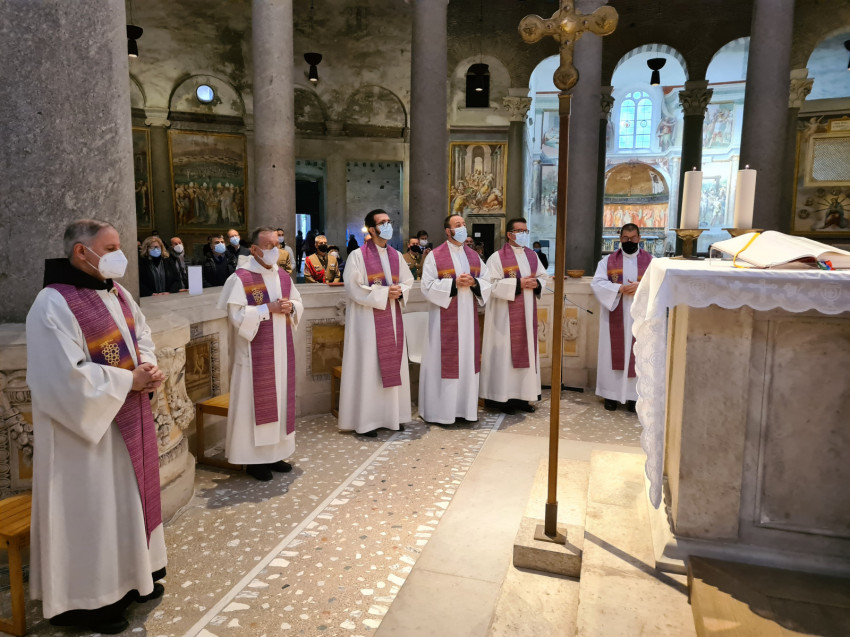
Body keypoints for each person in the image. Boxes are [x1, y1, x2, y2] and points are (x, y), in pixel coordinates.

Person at [26, 219, 167, 634]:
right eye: (110, 248)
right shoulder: (52, 303)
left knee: (125, 503)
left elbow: (142, 335)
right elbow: (61, 378)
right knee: (93, 511)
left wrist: (147, 367)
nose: (119, 255)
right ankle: (90, 601)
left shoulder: (117, 292)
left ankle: (135, 578)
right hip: (84, 438)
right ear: (81, 252)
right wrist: (127, 381)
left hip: (127, 419)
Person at [218, 227, 303, 480]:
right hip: (253, 357)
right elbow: (236, 316)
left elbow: (298, 303)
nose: (274, 250)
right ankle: (253, 460)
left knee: (280, 400)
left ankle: (275, 454)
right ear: (254, 249)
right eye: (268, 245)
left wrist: (290, 307)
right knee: (253, 404)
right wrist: (268, 308)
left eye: (276, 244)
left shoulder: (283, 276)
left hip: (281, 353)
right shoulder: (240, 278)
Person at [338, 209, 413, 437]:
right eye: (383, 222)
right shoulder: (357, 256)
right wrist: (384, 293)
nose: (388, 225)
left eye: (389, 221)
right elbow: (353, 287)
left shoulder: (396, 255)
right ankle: (367, 421)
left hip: (392, 319)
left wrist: (400, 291)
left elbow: (408, 281)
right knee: (369, 368)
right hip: (367, 323)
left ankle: (392, 417)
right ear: (372, 229)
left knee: (392, 366)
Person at [419, 214, 490, 424]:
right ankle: (441, 412)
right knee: (444, 362)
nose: (462, 228)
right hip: (443, 322)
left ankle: (465, 411)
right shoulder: (435, 256)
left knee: (467, 361)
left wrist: (474, 282)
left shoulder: (474, 256)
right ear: (448, 231)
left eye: (464, 224)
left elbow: (487, 281)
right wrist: (454, 284)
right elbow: (427, 286)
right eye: (457, 225)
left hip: (468, 321)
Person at [480, 218, 549, 414]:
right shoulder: (496, 258)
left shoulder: (532, 256)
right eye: (520, 231)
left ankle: (523, 398)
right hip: (503, 318)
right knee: (505, 357)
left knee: (526, 354)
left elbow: (544, 277)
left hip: (527, 315)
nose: (524, 234)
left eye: (526, 231)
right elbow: (490, 285)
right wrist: (518, 284)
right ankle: (502, 400)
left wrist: (537, 283)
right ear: (510, 234)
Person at [590, 223, 653, 412]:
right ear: (620, 239)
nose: (629, 241)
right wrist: (620, 288)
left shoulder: (652, 262)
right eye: (625, 238)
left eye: (633, 238)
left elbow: (660, 285)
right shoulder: (607, 261)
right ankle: (610, 395)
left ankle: (635, 397)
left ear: (639, 238)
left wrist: (641, 287)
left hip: (640, 317)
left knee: (638, 353)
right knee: (611, 354)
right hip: (615, 315)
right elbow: (597, 283)